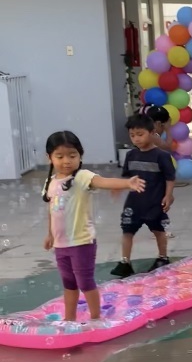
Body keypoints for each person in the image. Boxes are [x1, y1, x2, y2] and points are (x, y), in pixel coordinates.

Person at [41, 131, 146, 321]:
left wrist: (126, 183)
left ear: (80, 156)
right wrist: (50, 235)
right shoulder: (50, 182)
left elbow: (103, 182)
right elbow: (52, 210)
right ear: (49, 158)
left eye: (72, 156)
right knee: (69, 283)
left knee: (85, 282)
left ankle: (96, 317)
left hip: (82, 242)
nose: (67, 161)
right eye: (60, 156)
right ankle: (69, 318)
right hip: (60, 244)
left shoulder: (82, 177)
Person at [110, 114, 176, 277]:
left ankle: (162, 257)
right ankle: (125, 261)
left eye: (140, 134)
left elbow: (170, 178)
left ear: (152, 133)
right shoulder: (131, 155)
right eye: (132, 135)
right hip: (134, 203)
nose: (136, 139)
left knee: (158, 231)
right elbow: (126, 177)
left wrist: (168, 195)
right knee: (127, 231)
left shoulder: (162, 156)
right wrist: (118, 187)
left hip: (154, 202)